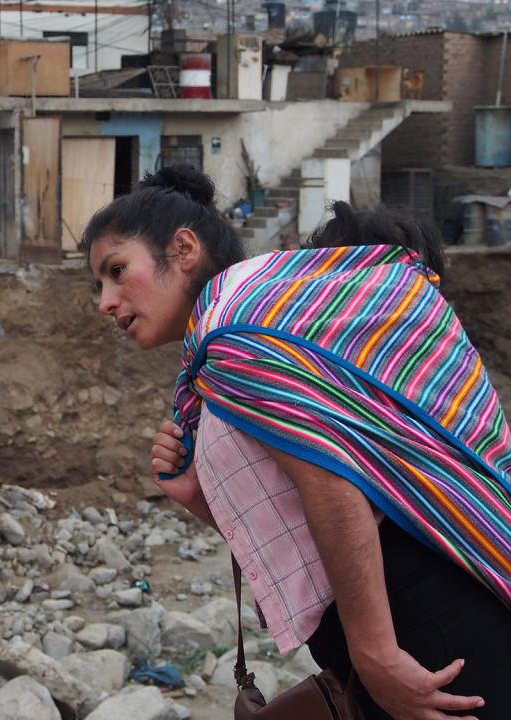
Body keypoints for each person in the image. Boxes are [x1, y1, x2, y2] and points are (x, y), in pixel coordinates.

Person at [86, 165, 511, 720]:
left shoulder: (237, 336)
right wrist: (198, 495)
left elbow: (333, 486)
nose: (105, 301)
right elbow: (297, 518)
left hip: (424, 617)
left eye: (117, 272)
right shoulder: (227, 353)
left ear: (183, 249)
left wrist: (376, 652)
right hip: (401, 614)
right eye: (99, 285)